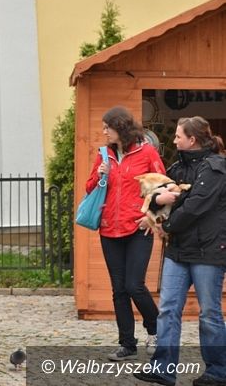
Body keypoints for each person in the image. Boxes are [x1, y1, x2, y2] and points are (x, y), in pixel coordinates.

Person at [134, 116, 226, 386]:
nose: (174, 141)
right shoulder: (177, 167)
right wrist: (157, 201)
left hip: (208, 251)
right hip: (178, 250)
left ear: (192, 139)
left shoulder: (216, 167)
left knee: (209, 314)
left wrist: (166, 224)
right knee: (168, 309)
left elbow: (196, 206)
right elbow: (154, 196)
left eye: (178, 136)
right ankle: (163, 369)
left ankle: (218, 372)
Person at [84, 106, 165, 361]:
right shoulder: (104, 155)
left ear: (120, 127)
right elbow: (89, 188)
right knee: (119, 290)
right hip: (109, 229)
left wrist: (151, 217)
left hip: (137, 229)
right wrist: (100, 176)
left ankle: (155, 330)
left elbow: (163, 188)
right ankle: (127, 344)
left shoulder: (146, 153)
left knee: (134, 285)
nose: (104, 131)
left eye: (107, 127)